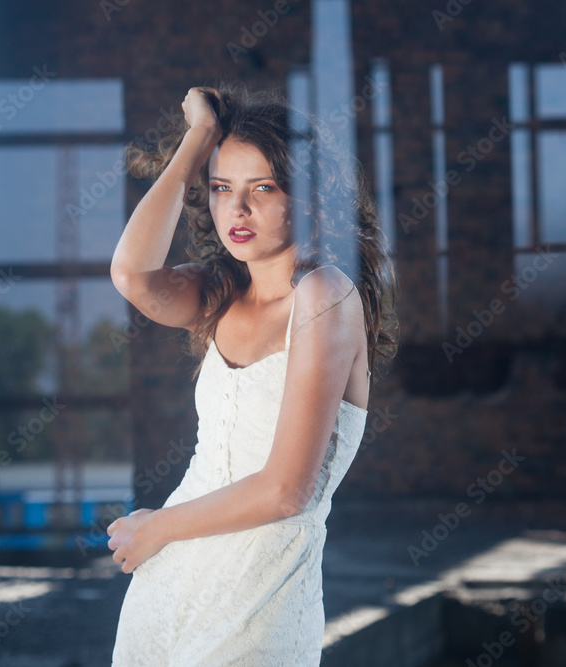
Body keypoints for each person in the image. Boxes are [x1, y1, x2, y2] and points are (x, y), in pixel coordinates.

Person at [106, 81, 397, 665]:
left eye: (261, 188)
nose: (235, 210)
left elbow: (287, 491)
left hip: (258, 606)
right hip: (167, 593)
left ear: (310, 198)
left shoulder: (326, 295)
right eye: (221, 188)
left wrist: (157, 528)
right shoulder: (220, 291)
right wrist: (198, 140)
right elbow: (132, 276)